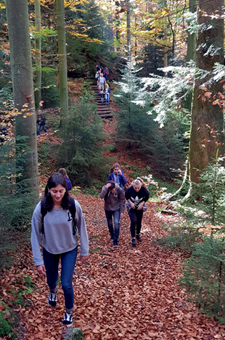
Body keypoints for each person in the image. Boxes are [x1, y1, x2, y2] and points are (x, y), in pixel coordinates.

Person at [31, 173, 89, 327]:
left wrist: (84, 249)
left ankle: (68, 313)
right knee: (51, 280)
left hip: (69, 248)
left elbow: (82, 227)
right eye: (54, 191)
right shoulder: (41, 208)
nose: (57, 195)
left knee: (66, 284)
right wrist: (38, 260)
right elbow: (35, 235)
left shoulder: (73, 205)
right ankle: (52, 290)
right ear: (48, 190)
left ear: (65, 190)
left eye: (61, 191)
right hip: (49, 249)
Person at [125, 177, 149, 247]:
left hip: (139, 209)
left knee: (139, 222)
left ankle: (137, 234)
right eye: (135, 188)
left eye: (138, 188)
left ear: (141, 186)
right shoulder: (129, 190)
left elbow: (147, 196)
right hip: (132, 208)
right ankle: (133, 238)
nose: (137, 189)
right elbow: (126, 195)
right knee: (133, 221)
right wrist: (130, 202)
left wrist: (142, 203)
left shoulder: (144, 190)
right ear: (133, 186)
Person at [99, 181, 125, 247]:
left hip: (116, 208)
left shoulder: (119, 190)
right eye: (111, 190)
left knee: (116, 223)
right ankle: (112, 234)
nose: (112, 191)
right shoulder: (105, 189)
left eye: (113, 190)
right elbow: (101, 196)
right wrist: (106, 188)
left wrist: (122, 211)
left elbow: (122, 200)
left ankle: (115, 240)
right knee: (110, 223)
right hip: (107, 208)